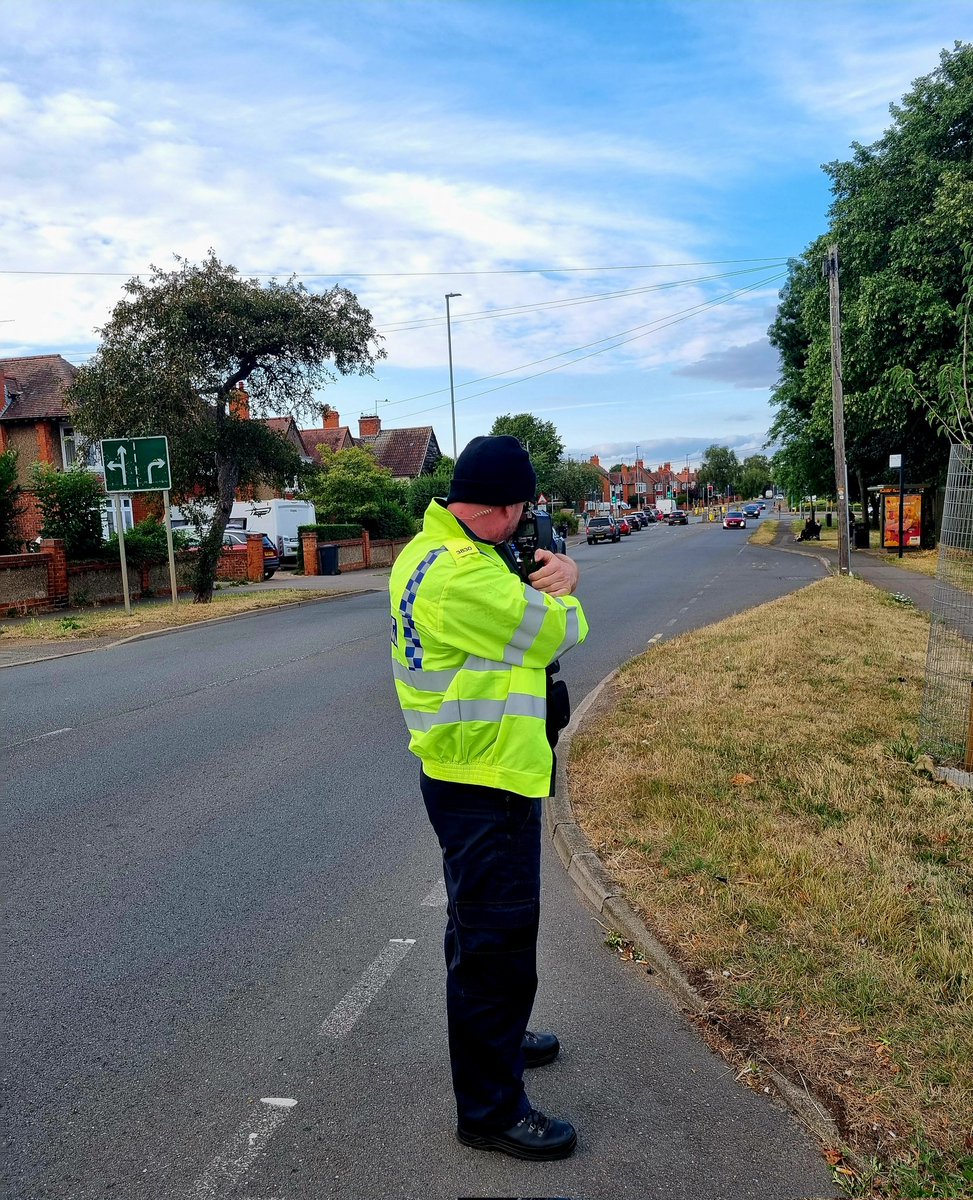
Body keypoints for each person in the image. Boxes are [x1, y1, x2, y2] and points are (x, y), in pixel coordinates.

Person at [389, 435, 588, 1161]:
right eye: (523, 510)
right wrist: (564, 581)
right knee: (495, 949)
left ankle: (497, 1041)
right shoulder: (466, 579)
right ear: (503, 507)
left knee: (478, 931)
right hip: (487, 781)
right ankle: (490, 1109)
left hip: (464, 769)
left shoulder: (424, 551)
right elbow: (559, 632)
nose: (526, 525)